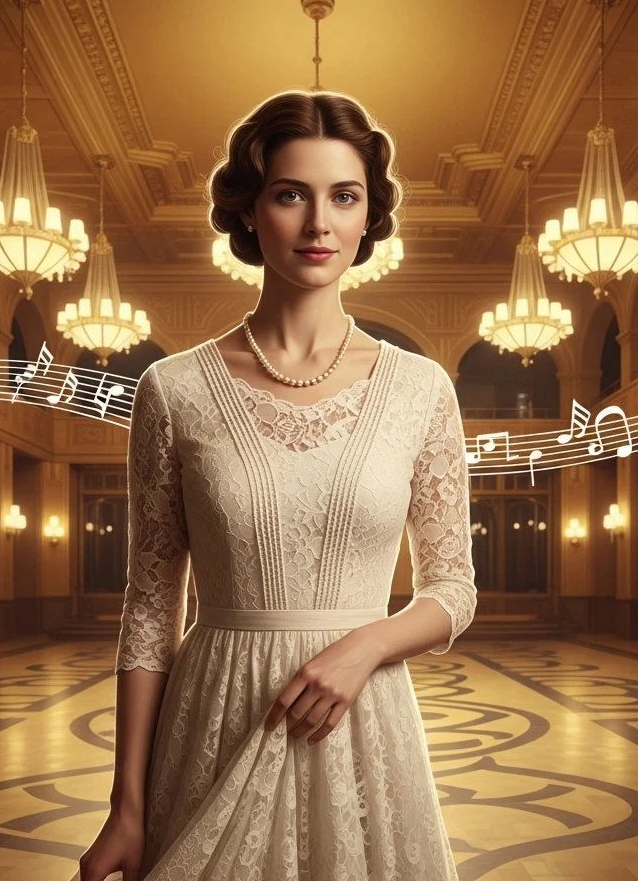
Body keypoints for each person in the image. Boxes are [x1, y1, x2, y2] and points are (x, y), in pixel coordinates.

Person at [79, 89, 477, 881]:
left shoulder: (422, 386)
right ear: (251, 212)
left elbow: (454, 589)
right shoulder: (173, 388)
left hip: (365, 724)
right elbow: (152, 608)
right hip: (216, 714)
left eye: (344, 196)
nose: (318, 222)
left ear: (369, 220)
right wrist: (125, 806)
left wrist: (366, 646)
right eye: (291, 193)